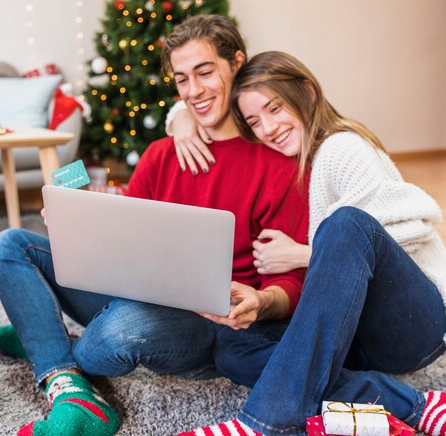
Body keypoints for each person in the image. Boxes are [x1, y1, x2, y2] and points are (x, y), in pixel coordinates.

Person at [0, 17, 311, 436]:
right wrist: (78, 224)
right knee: (6, 246)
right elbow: (126, 241)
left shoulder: (276, 161)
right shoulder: (161, 153)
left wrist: (262, 303)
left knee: (111, 338)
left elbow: (295, 280)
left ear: (236, 63)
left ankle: (42, 337)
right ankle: (70, 388)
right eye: (182, 79)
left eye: (205, 72)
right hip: (136, 292)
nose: (194, 92)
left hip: (206, 323)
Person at [174, 51, 446, 436]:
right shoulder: (289, 158)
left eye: (275, 108)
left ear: (307, 93)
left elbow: (413, 222)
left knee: (346, 223)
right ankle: (415, 406)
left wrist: (303, 253)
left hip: (414, 325)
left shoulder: (341, 148)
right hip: (354, 331)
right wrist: (181, 117)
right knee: (235, 349)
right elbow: (208, 110)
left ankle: (264, 420)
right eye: (255, 120)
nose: (268, 128)